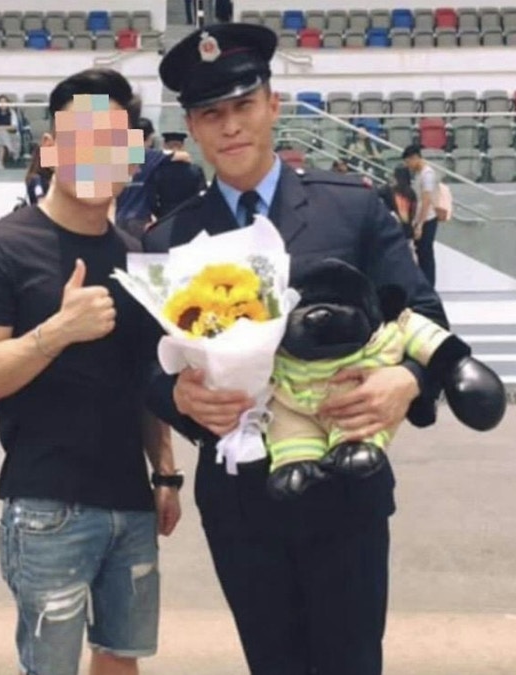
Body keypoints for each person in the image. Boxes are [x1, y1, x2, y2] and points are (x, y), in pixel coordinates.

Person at [143, 23, 447, 675]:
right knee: (272, 663)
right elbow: (145, 367)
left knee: (351, 663)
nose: (231, 126)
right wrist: (177, 396)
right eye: (211, 114)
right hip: (241, 501)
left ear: (273, 105)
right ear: (192, 127)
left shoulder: (351, 211)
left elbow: (425, 316)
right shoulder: (172, 239)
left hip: (345, 482)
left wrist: (408, 382)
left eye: (244, 105)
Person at [0, 68, 180, 675]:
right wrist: (57, 331)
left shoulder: (139, 256)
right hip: (46, 504)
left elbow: (146, 377)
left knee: (122, 659)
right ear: (51, 147)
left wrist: (166, 472)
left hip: (130, 500)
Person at [115, 118, 205, 240]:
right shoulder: (152, 156)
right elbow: (184, 156)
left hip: (120, 217)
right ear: (149, 138)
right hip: (139, 217)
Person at [403, 144, 440, 287]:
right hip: (420, 218)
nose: (408, 166)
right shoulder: (419, 174)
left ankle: (429, 285)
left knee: (426, 254)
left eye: (408, 162)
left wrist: (420, 224)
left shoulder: (427, 174)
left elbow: (426, 201)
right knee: (421, 253)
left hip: (427, 219)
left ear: (415, 158)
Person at [377, 164, 418, 243]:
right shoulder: (411, 192)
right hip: (407, 231)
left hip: (391, 229)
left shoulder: (388, 189)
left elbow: (375, 193)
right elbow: (413, 211)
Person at [0, 95, 21, 169]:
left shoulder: (12, 113)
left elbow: (14, 127)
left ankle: (0, 162)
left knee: (2, 134)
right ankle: (9, 150)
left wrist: (1, 128)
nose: (2, 104)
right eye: (0, 102)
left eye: (4, 102)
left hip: (12, 136)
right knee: (2, 136)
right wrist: (0, 129)